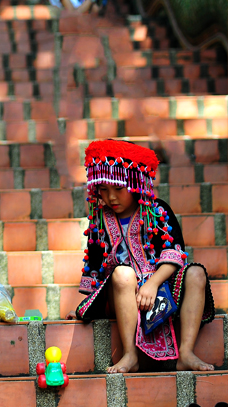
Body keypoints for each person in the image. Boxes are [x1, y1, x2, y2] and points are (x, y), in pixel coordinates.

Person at [67, 139, 215, 374]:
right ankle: (130, 355)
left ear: (136, 184)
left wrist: (153, 283)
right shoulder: (99, 219)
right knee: (123, 274)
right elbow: (94, 266)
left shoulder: (157, 211)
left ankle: (186, 353)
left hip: (163, 288)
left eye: (118, 189)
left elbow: (175, 255)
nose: (111, 197)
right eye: (103, 190)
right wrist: (87, 303)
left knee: (196, 273)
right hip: (122, 292)